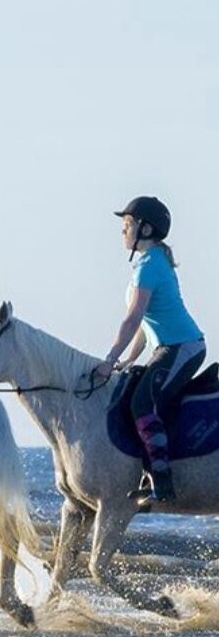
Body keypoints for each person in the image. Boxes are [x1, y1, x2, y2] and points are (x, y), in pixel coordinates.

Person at [93, 196, 205, 504]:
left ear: (145, 228)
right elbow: (145, 325)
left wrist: (110, 359)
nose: (123, 232)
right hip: (166, 347)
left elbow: (132, 318)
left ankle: (161, 479)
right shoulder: (147, 262)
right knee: (137, 394)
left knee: (143, 403)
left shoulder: (151, 265)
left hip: (183, 346)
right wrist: (129, 358)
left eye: (127, 225)